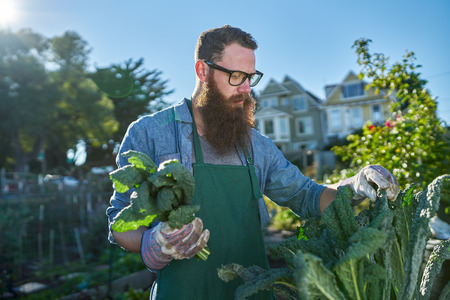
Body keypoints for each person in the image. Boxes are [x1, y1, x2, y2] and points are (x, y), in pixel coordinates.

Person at [106, 25, 400, 299]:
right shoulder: (151, 133)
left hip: (250, 290)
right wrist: (152, 244)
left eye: (250, 77)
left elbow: (308, 196)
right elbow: (120, 221)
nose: (247, 89)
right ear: (203, 71)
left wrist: (356, 185)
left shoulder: (256, 145)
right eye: (236, 76)